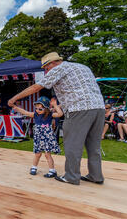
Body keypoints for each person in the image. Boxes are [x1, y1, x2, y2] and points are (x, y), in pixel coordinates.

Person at [8, 52, 105, 185]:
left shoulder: (59, 68)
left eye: (46, 68)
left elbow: (37, 87)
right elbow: (78, 90)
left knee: (72, 144)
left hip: (78, 110)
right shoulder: (82, 67)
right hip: (99, 108)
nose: (46, 71)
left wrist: (14, 98)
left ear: (52, 63)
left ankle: (71, 176)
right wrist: (58, 105)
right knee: (94, 145)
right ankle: (96, 175)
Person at [12, 96, 63, 177]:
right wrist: (17, 108)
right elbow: (26, 112)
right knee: (37, 154)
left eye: (40, 109)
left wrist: (55, 106)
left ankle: (52, 171)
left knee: (47, 154)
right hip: (38, 137)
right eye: (36, 108)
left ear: (46, 108)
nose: (37, 110)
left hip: (47, 137)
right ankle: (34, 167)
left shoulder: (50, 114)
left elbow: (60, 114)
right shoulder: (35, 114)